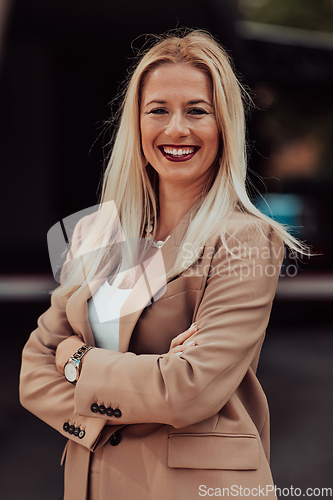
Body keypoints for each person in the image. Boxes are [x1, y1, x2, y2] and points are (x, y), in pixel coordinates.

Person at [19, 29, 305, 500]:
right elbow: (32, 370)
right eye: (158, 110)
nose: (176, 129)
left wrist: (77, 362)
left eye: (197, 110)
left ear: (224, 126)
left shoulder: (246, 240)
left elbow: (189, 388)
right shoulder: (101, 234)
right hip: (92, 482)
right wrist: (135, 385)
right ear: (136, 123)